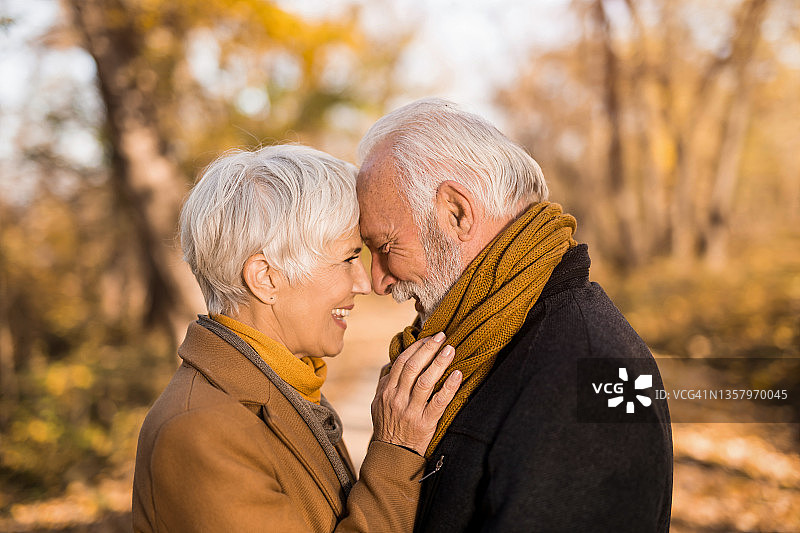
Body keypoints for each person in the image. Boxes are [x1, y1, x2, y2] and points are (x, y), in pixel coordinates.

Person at [356, 98, 673, 532]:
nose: (377, 281)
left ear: (457, 213)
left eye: (385, 246)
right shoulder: (490, 341)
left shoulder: (592, 371)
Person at [132, 144, 462, 532]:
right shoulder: (200, 431)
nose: (364, 282)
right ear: (266, 278)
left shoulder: (285, 383)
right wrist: (395, 452)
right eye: (347, 258)